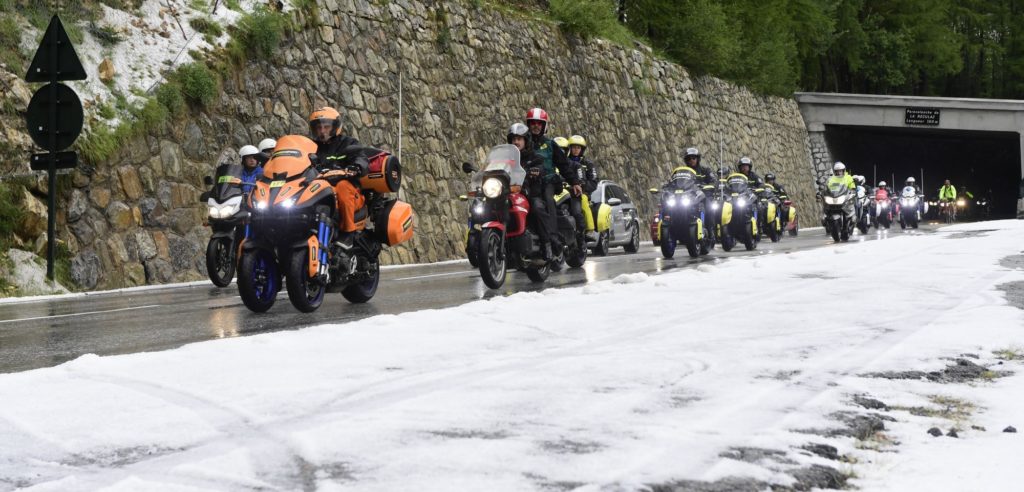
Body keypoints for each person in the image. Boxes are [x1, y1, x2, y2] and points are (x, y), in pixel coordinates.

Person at [525, 107, 581, 256]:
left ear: (544, 125)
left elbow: (564, 165)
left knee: (546, 201)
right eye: (533, 123)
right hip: (528, 182)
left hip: (548, 181)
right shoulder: (523, 143)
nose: (536, 126)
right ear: (528, 124)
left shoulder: (550, 144)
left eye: (539, 123)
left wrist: (574, 182)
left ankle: (552, 240)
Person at [308, 107, 369, 241]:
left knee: (343, 186)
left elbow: (361, 157)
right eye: (318, 127)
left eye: (326, 127)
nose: (322, 131)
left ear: (335, 127)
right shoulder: (311, 146)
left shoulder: (348, 143)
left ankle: (348, 233)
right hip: (319, 188)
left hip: (350, 191)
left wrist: (356, 166)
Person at [508, 123, 555, 261]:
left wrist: (537, 170)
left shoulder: (534, 156)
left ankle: (547, 244)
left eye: (519, 139)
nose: (516, 142)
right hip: (508, 193)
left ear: (526, 140)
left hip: (529, 193)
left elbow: (540, 166)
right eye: (513, 139)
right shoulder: (507, 159)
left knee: (537, 208)